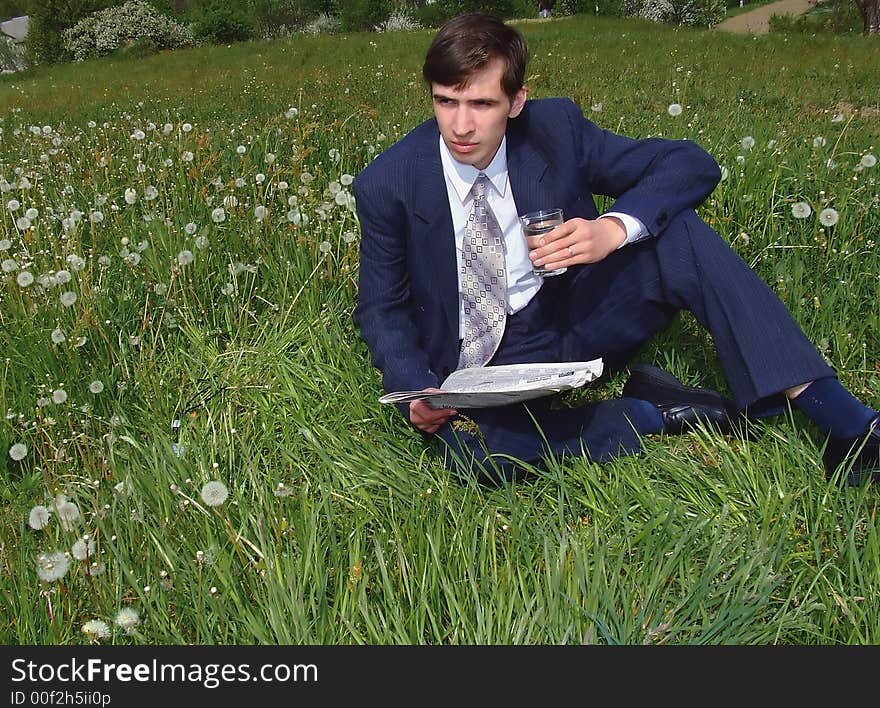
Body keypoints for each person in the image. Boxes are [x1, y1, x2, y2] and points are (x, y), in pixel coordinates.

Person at [352, 13, 880, 486]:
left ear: (516, 102)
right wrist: (417, 388)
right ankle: (653, 411)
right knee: (477, 460)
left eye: (481, 103)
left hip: (571, 322)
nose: (461, 126)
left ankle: (844, 421)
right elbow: (383, 308)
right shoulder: (388, 182)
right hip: (476, 368)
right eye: (446, 100)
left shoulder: (553, 129)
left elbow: (689, 163)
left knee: (677, 234)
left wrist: (612, 229)